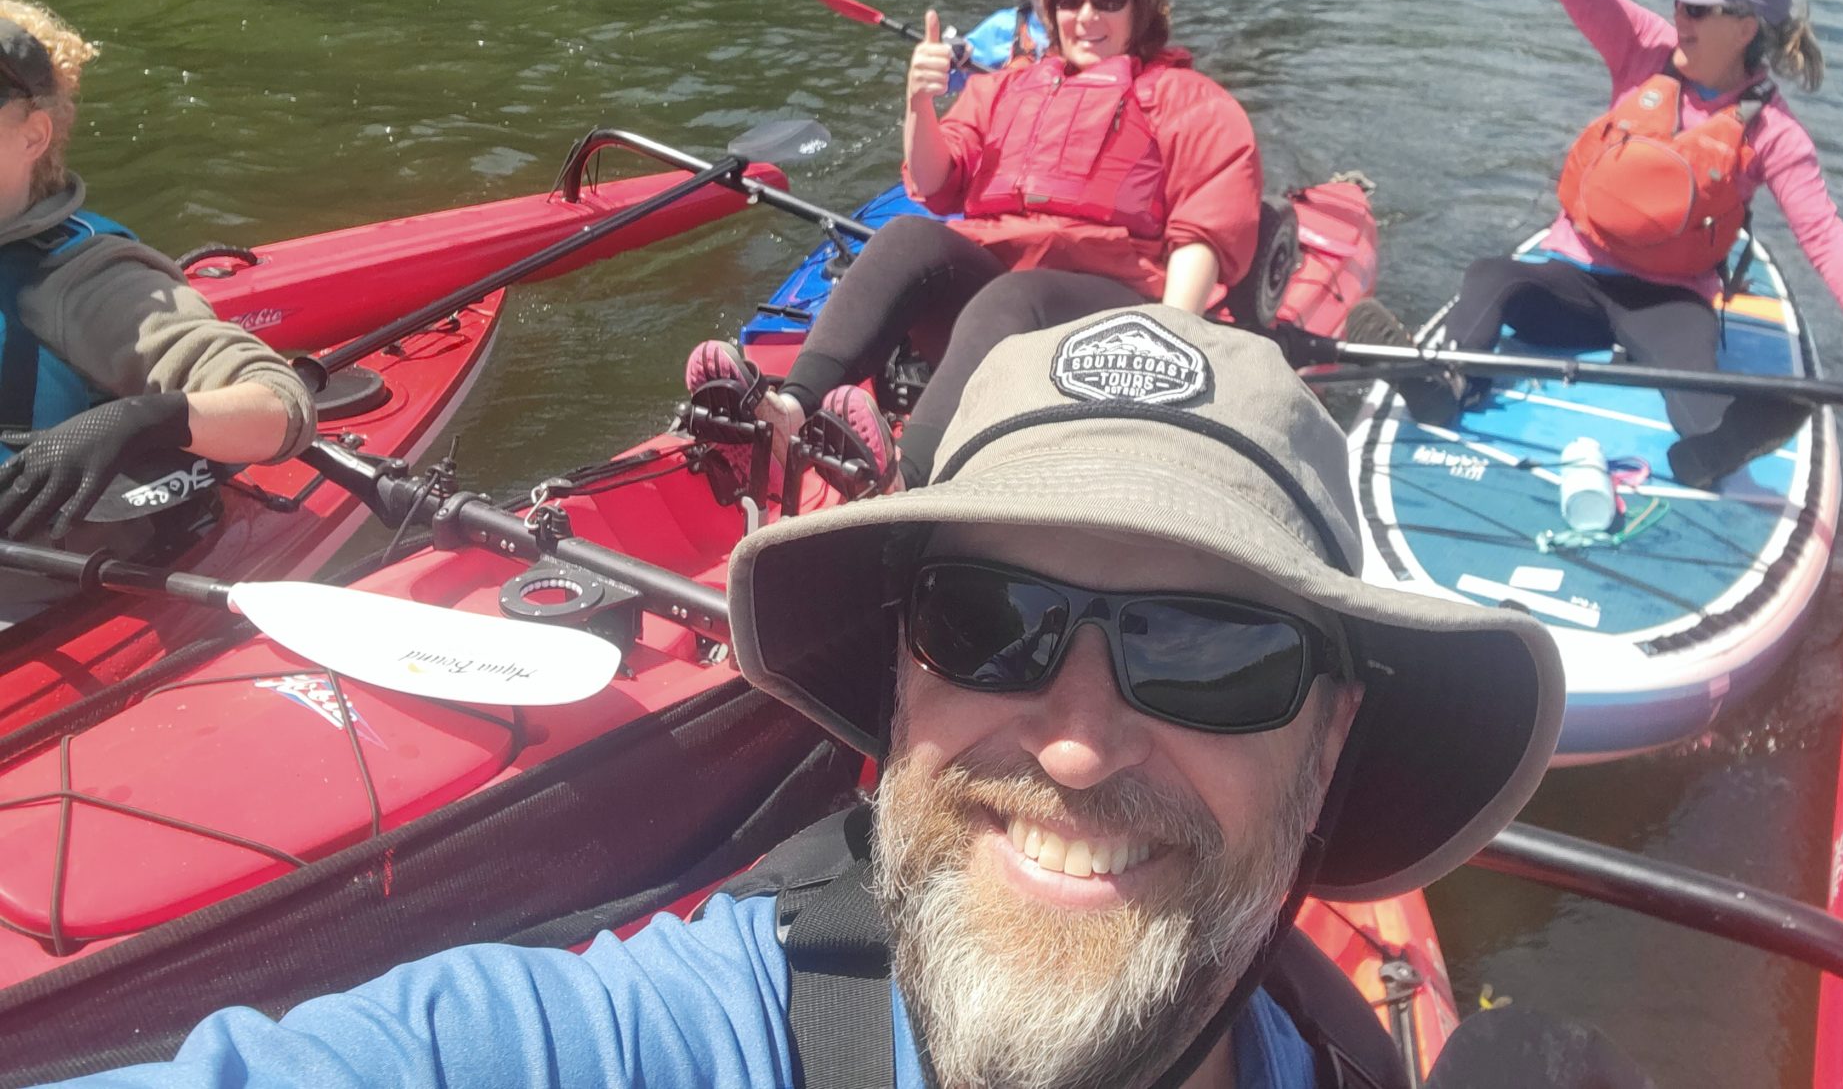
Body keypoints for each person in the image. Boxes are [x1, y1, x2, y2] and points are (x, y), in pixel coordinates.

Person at [42, 305, 1575, 1089]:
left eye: (1213, 653)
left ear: (1335, 729)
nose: (1076, 738)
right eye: (990, 626)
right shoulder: (662, 1040)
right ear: (902, 674)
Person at [1349, 0, 1843, 489]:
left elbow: (1824, 237)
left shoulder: (1773, 131)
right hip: (1573, 281)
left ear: (1744, 28)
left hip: (1668, 298)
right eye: (1678, 2)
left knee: (1693, 373)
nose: (1678, 14)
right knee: (1492, 276)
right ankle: (1445, 384)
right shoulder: (1645, 47)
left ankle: (1711, 450)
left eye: (1696, 6)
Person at [687, 0, 1264, 496]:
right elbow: (937, 181)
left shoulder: (1185, 98)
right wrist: (918, 101)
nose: (1087, 16)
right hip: (997, 306)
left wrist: (1171, 339)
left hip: (1111, 311)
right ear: (1051, 9)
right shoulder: (1007, 89)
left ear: (1140, 8)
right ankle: (787, 412)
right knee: (908, 235)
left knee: (1015, 294)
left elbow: (1202, 229)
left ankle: (904, 482)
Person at [0, 0, 315, 624]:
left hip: (33, 594)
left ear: (32, 135)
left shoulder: (83, 283)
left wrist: (143, 419)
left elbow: (280, 405)